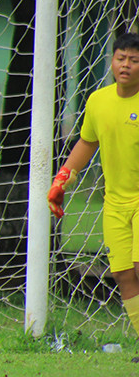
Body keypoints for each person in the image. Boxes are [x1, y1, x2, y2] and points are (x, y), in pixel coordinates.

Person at [48, 32, 139, 336]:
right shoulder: (98, 101)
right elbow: (87, 143)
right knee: (123, 273)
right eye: (121, 58)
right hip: (114, 203)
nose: (125, 65)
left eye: (134, 60)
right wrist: (62, 179)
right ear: (112, 61)